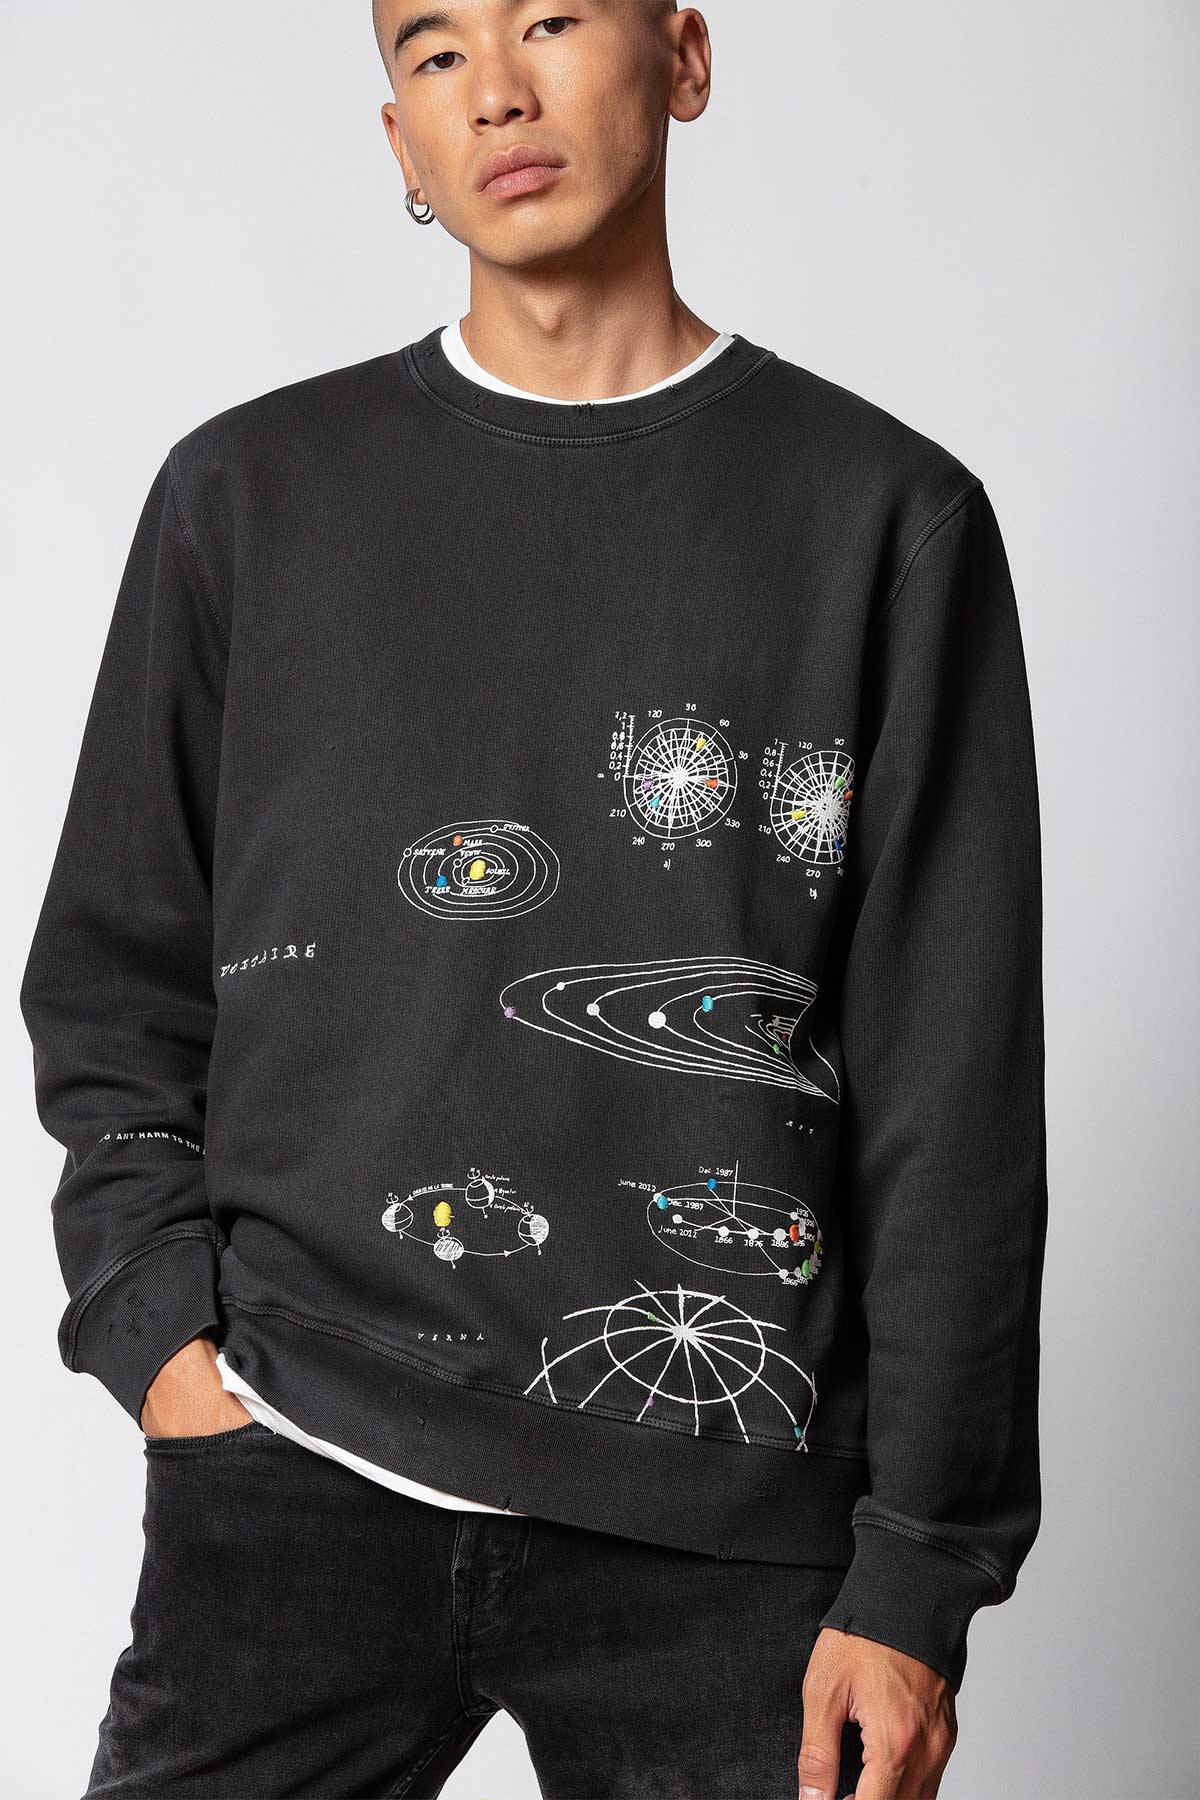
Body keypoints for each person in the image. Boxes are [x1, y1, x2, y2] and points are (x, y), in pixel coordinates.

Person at [19, 3, 1048, 1797]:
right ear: (399, 142)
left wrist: (923, 1571)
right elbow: (116, 972)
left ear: (685, 59)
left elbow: (951, 1084)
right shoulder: (248, 496)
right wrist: (160, 1334)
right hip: (299, 1461)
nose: (496, 87)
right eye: (434, 51)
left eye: (553, 18)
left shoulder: (885, 518)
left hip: (732, 1526)